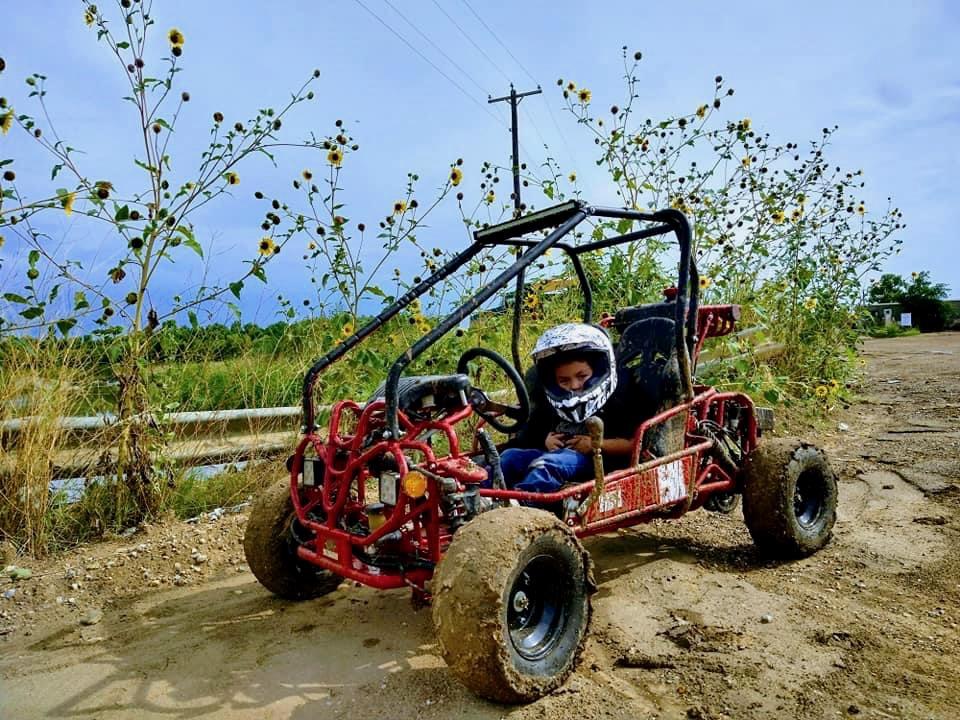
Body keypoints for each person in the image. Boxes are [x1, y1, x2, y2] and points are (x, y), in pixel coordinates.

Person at [498, 323, 633, 494]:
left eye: (582, 376)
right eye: (564, 381)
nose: (574, 385)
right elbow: (533, 429)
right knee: (509, 457)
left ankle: (522, 503)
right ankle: (480, 498)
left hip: (596, 462)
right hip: (554, 456)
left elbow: (635, 444)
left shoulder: (619, 398)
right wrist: (545, 440)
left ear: (599, 370)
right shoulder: (552, 400)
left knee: (547, 465)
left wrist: (596, 444)